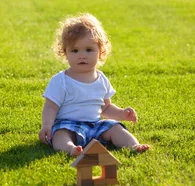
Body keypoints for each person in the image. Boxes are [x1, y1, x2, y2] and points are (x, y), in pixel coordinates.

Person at [38, 13, 150, 156]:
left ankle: (134, 145)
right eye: (75, 50)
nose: (82, 55)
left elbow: (106, 108)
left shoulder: (101, 79)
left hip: (95, 125)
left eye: (89, 50)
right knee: (60, 135)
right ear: (65, 53)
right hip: (69, 125)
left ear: (100, 52)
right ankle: (71, 149)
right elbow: (51, 106)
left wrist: (122, 113)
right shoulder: (61, 80)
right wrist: (47, 125)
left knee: (116, 128)